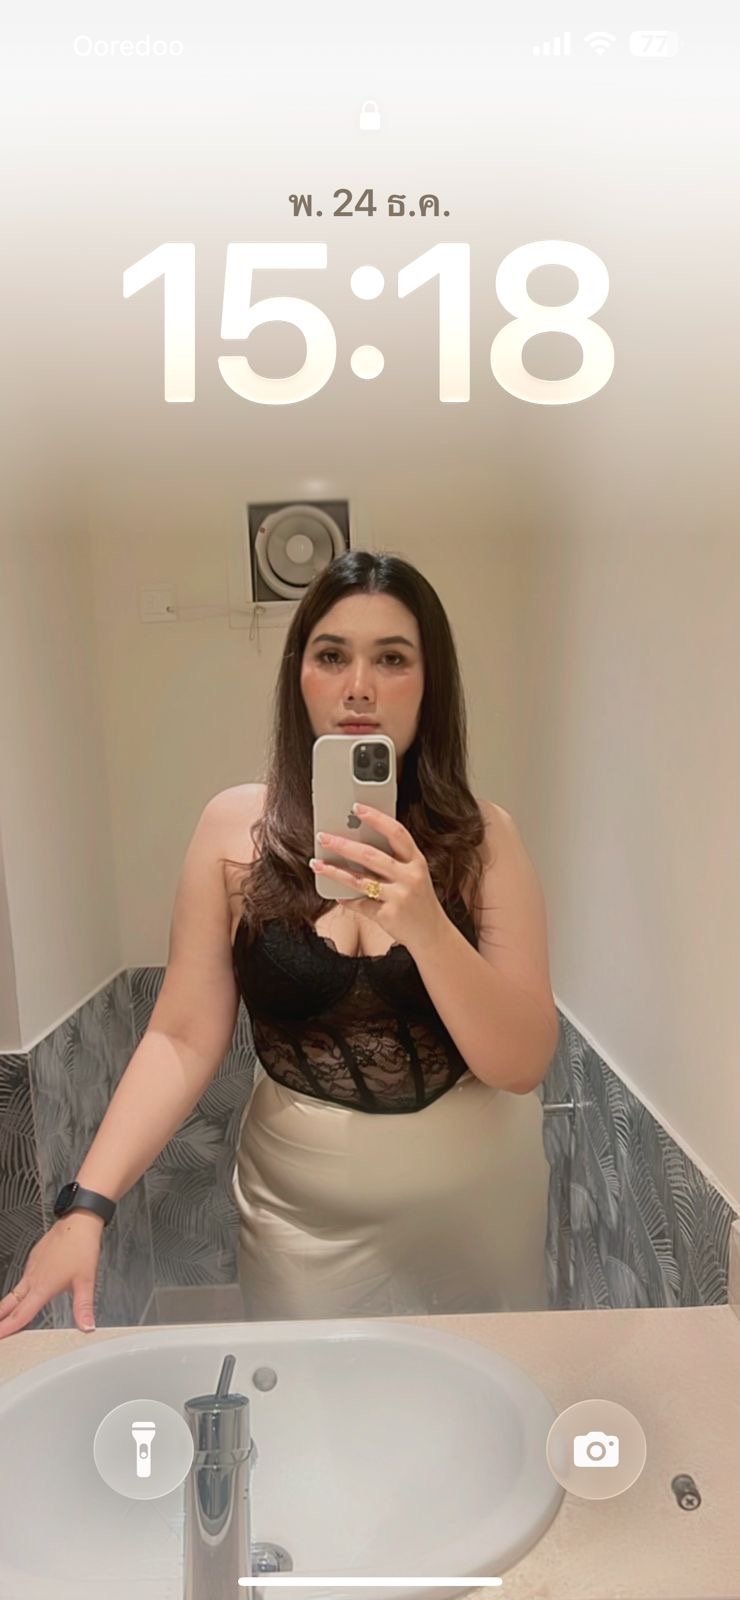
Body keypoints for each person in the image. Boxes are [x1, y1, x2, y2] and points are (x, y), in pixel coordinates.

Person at [0, 551, 558, 1339]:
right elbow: (181, 1036)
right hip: (302, 1224)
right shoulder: (234, 832)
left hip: (479, 1211)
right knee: (309, 1406)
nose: (358, 685)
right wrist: (86, 1206)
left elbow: (522, 1062)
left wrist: (429, 928)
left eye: (392, 658)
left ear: (430, 683)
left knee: (484, 1399)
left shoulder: (484, 838)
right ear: (299, 675)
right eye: (332, 655)